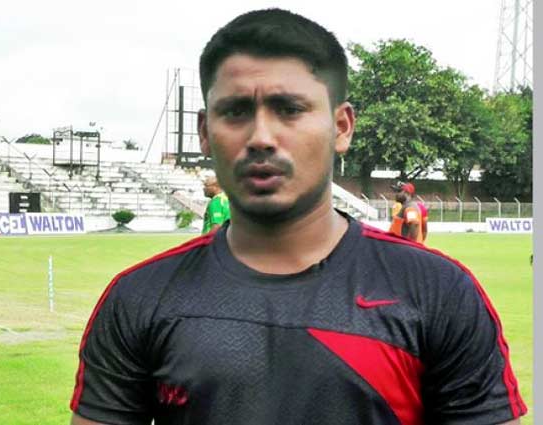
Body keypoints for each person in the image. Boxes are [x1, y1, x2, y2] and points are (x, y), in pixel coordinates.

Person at [70, 8, 525, 425]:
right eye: (235, 111)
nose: (261, 137)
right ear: (205, 133)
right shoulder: (140, 298)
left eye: (289, 110)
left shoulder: (440, 293)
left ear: (341, 127)